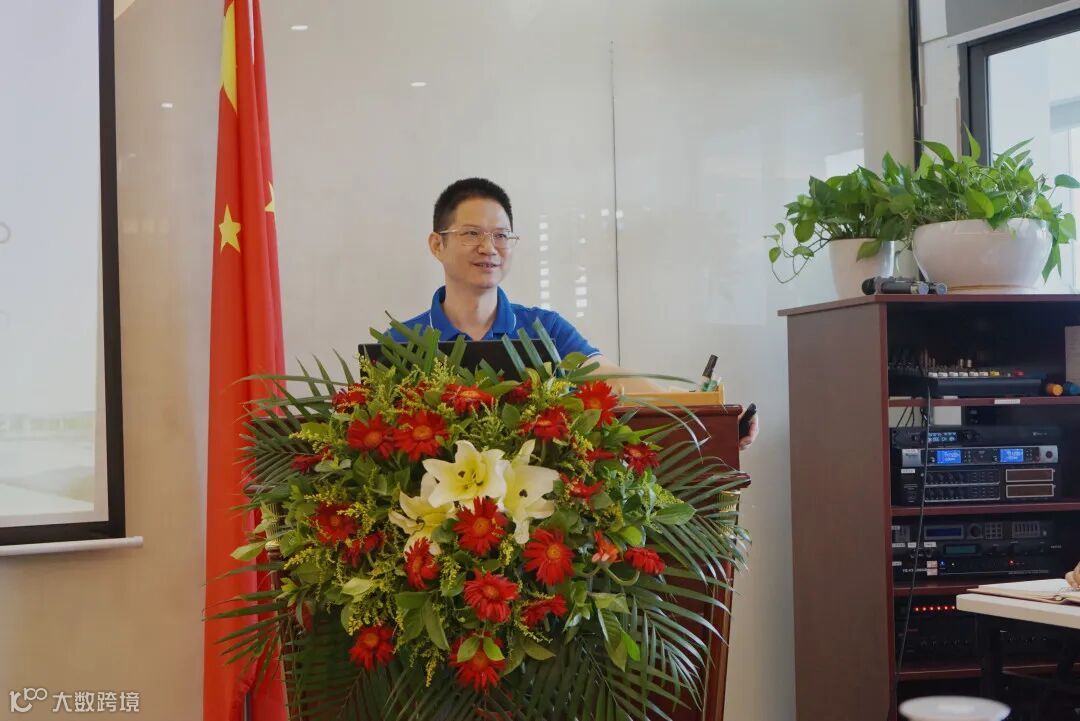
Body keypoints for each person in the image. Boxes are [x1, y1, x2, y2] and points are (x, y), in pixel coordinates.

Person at [388, 178, 759, 449]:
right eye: (471, 233)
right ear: (437, 244)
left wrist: (711, 414)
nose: (489, 247)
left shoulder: (544, 329)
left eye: (501, 235)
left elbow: (616, 383)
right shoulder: (402, 343)